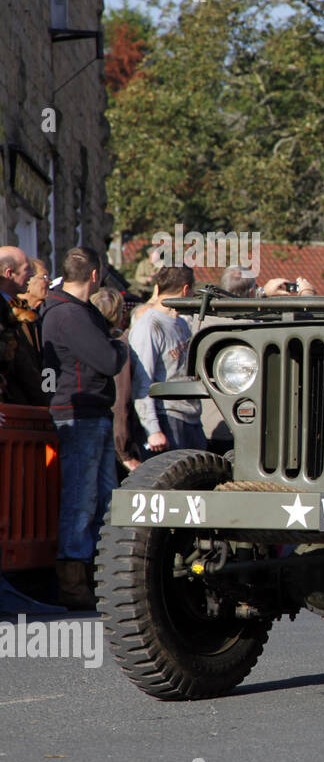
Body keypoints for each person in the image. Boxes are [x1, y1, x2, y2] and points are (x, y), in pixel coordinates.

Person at [40, 247, 128, 610]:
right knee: (82, 498)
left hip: (91, 411)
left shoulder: (74, 311)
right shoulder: (70, 315)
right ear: (95, 275)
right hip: (80, 414)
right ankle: (73, 580)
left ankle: (99, 574)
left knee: (105, 497)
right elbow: (107, 359)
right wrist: (120, 344)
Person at [129, 264, 205, 456]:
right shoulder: (149, 326)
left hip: (192, 419)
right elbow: (141, 380)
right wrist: (153, 430)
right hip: (168, 419)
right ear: (186, 289)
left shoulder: (181, 323)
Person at [91, 287, 144, 473]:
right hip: (112, 438)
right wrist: (124, 452)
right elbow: (121, 402)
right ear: (118, 314)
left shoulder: (86, 340)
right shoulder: (118, 346)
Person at [0, 246, 47, 406]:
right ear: (9, 273)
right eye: (27, 269)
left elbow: (44, 362)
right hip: (13, 406)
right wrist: (46, 401)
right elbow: (21, 364)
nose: (32, 275)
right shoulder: (6, 311)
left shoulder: (28, 312)